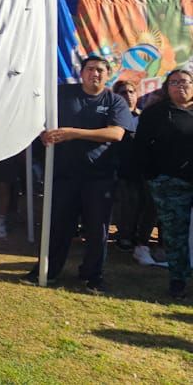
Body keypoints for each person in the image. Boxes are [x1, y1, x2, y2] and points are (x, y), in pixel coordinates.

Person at [26, 55, 131, 293]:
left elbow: (116, 133)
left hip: (99, 177)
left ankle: (93, 276)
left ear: (108, 75)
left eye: (100, 71)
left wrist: (73, 133)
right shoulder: (62, 95)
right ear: (81, 73)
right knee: (58, 226)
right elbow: (37, 117)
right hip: (63, 175)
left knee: (97, 229)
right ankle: (47, 271)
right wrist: (43, 132)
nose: (95, 74)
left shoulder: (115, 101)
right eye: (91, 69)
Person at [133, 68, 193, 298]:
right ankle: (178, 280)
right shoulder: (155, 114)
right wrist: (154, 177)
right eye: (175, 82)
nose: (181, 86)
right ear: (167, 88)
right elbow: (140, 149)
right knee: (175, 235)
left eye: (186, 82)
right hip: (169, 184)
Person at [109, 79, 163, 266]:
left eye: (132, 92)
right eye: (124, 92)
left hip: (144, 171)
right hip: (121, 171)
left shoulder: (144, 117)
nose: (129, 95)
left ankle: (141, 241)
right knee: (126, 205)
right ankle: (124, 236)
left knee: (147, 207)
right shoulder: (110, 118)